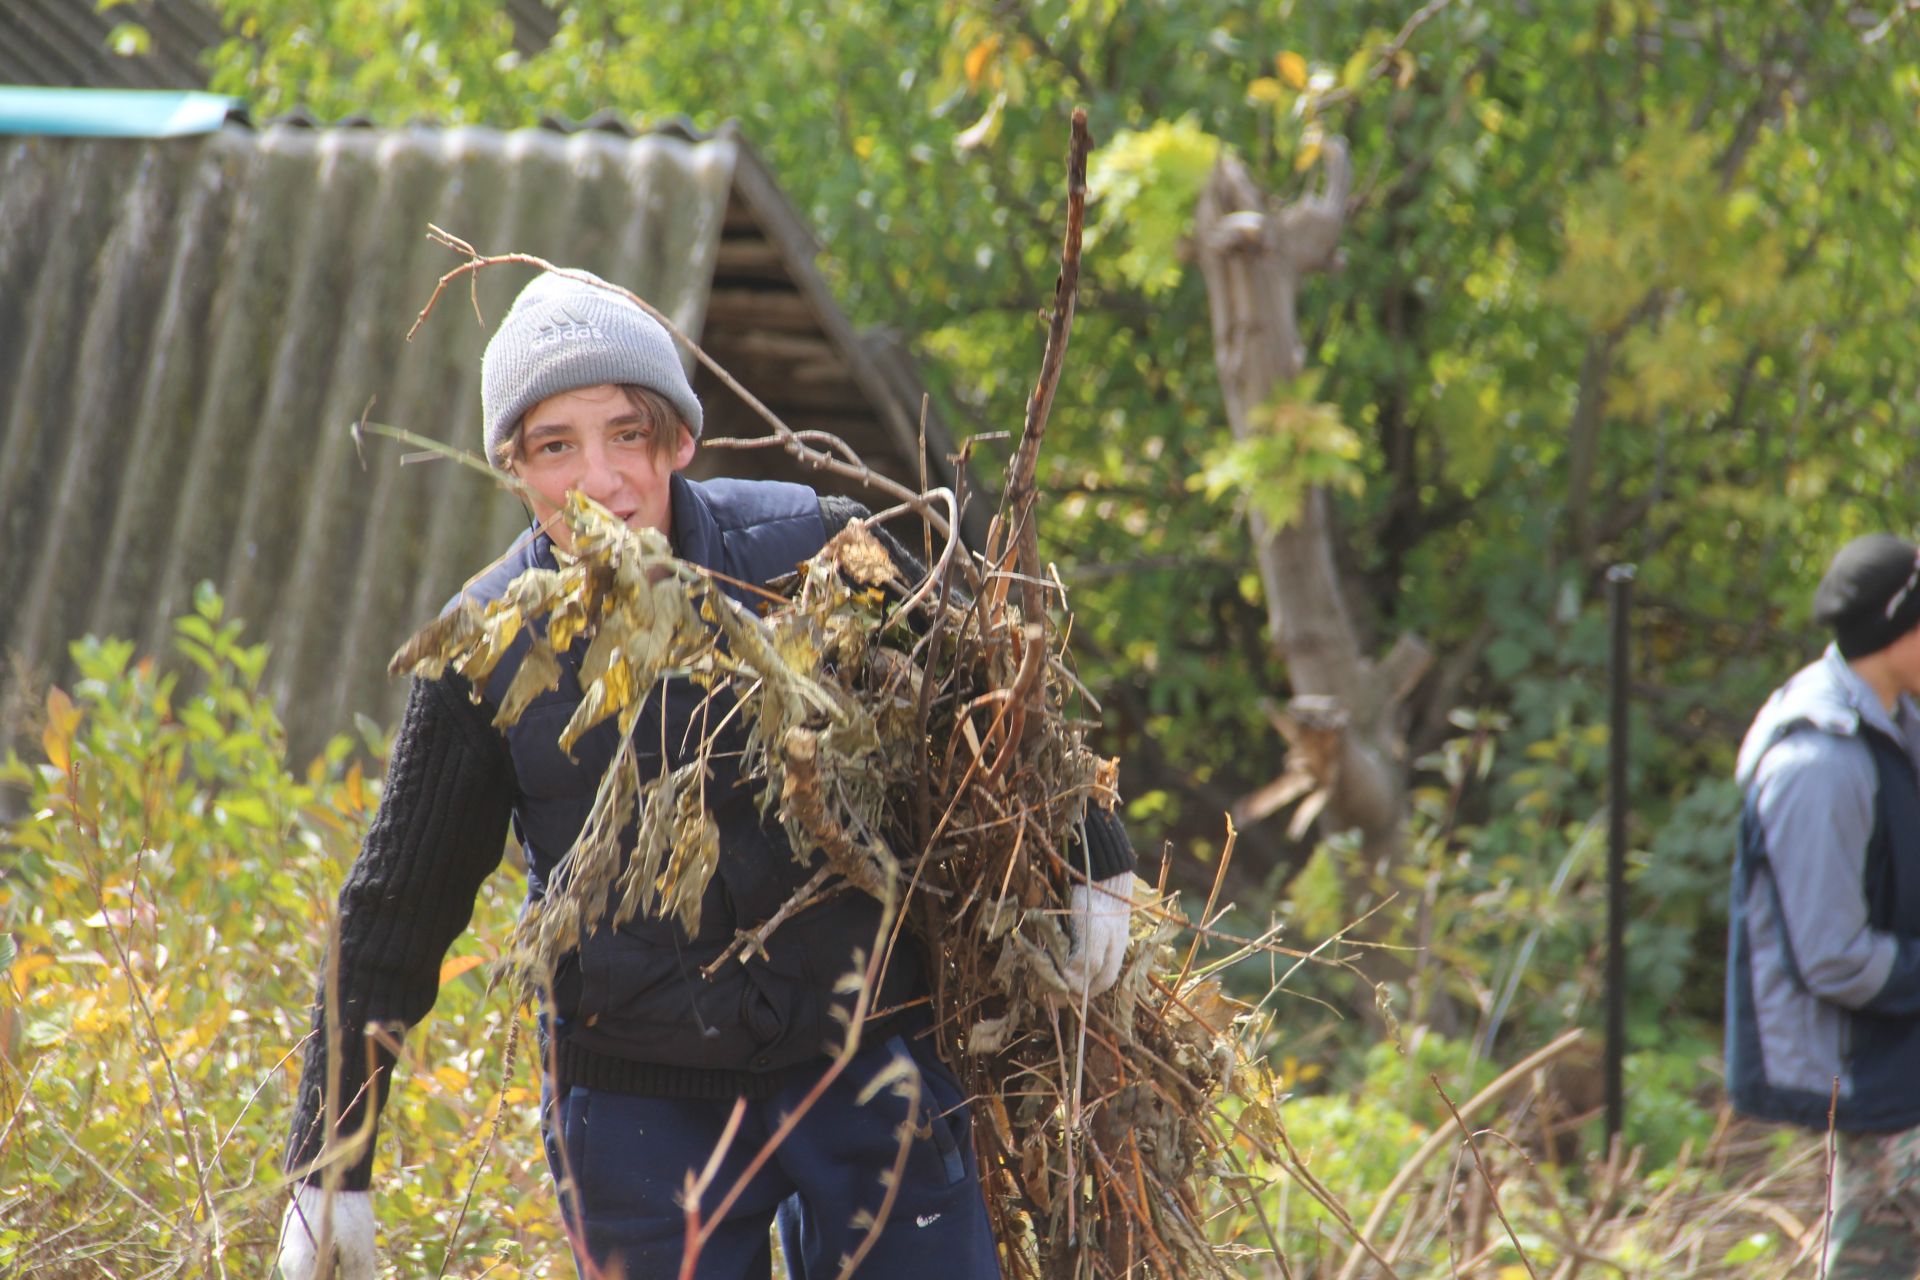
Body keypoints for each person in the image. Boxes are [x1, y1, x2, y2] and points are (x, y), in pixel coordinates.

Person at [275, 269, 1138, 1279]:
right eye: (556, 446)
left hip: (865, 1056)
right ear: (516, 469)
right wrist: (330, 1158)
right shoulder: (487, 648)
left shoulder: (811, 547)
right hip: (642, 1106)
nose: (598, 478)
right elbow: (392, 913)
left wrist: (1090, 845)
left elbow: (984, 685)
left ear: (679, 441)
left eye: (625, 434)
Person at [1726, 532, 1920, 1278]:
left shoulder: (1894, 722)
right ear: (1897, 631)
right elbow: (1834, 957)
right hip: (1872, 1076)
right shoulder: (1821, 761)